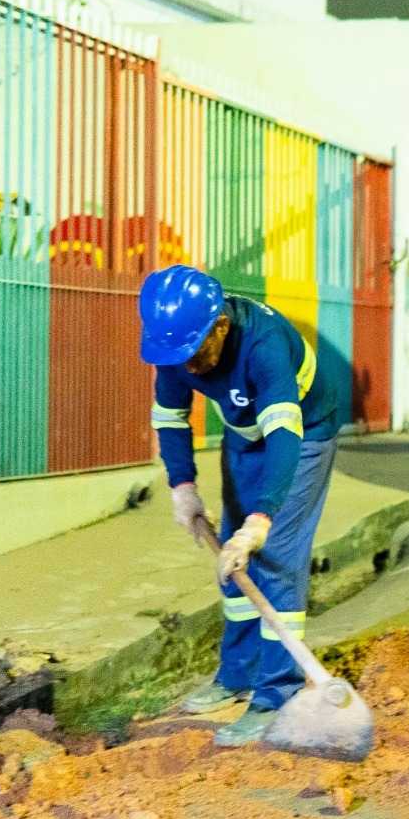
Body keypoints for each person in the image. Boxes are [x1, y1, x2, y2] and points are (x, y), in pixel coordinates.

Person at [138, 266, 343, 746]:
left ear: (222, 327)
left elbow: (284, 435)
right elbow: (170, 417)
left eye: (194, 353)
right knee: (231, 557)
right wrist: (182, 488)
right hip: (246, 433)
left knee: (271, 558)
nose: (186, 366)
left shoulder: (264, 344)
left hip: (302, 434)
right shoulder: (176, 343)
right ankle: (237, 674)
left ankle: (277, 694)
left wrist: (261, 518)